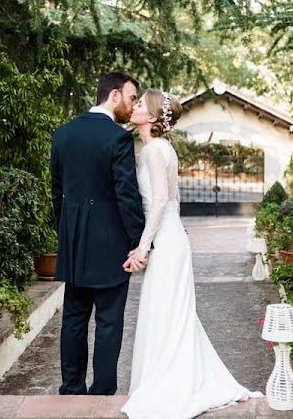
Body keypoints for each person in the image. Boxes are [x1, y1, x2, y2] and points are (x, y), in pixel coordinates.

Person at [121, 89, 262, 419]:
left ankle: (170, 384)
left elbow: (158, 202)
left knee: (167, 313)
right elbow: (172, 202)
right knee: (169, 313)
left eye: (140, 103)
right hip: (171, 237)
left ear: (153, 117)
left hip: (166, 242)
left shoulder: (155, 150)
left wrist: (143, 246)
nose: (135, 106)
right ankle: (170, 378)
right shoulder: (160, 148)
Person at [50, 70, 148, 396]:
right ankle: (102, 392)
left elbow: (57, 194)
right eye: (132, 97)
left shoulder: (63, 135)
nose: (133, 106)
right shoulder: (118, 138)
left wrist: (67, 236)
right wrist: (139, 242)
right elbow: (127, 197)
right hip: (110, 248)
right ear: (115, 95)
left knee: (74, 320)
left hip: (74, 245)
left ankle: (71, 390)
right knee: (108, 323)